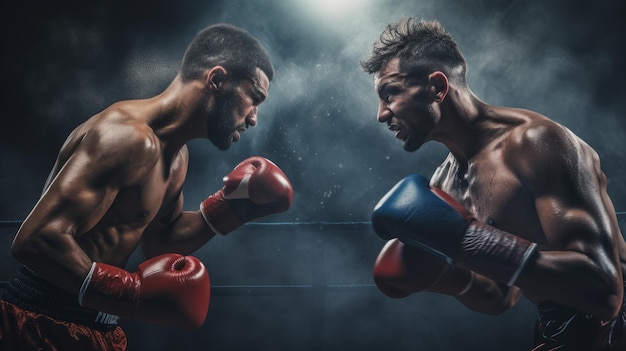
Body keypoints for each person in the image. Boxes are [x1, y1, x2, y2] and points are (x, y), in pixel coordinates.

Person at [0, 23, 293, 351]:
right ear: (217, 79)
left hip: (95, 329)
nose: (254, 118)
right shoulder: (127, 137)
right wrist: (130, 293)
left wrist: (232, 208)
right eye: (254, 98)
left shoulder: (177, 156)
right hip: (37, 323)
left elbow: (161, 241)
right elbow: (35, 240)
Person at [361, 18, 625, 350]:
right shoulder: (444, 182)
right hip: (558, 329)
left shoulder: (535, 143)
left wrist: (470, 241)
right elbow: (500, 296)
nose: (381, 114)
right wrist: (446, 279)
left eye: (390, 94)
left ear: (437, 88)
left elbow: (604, 291)